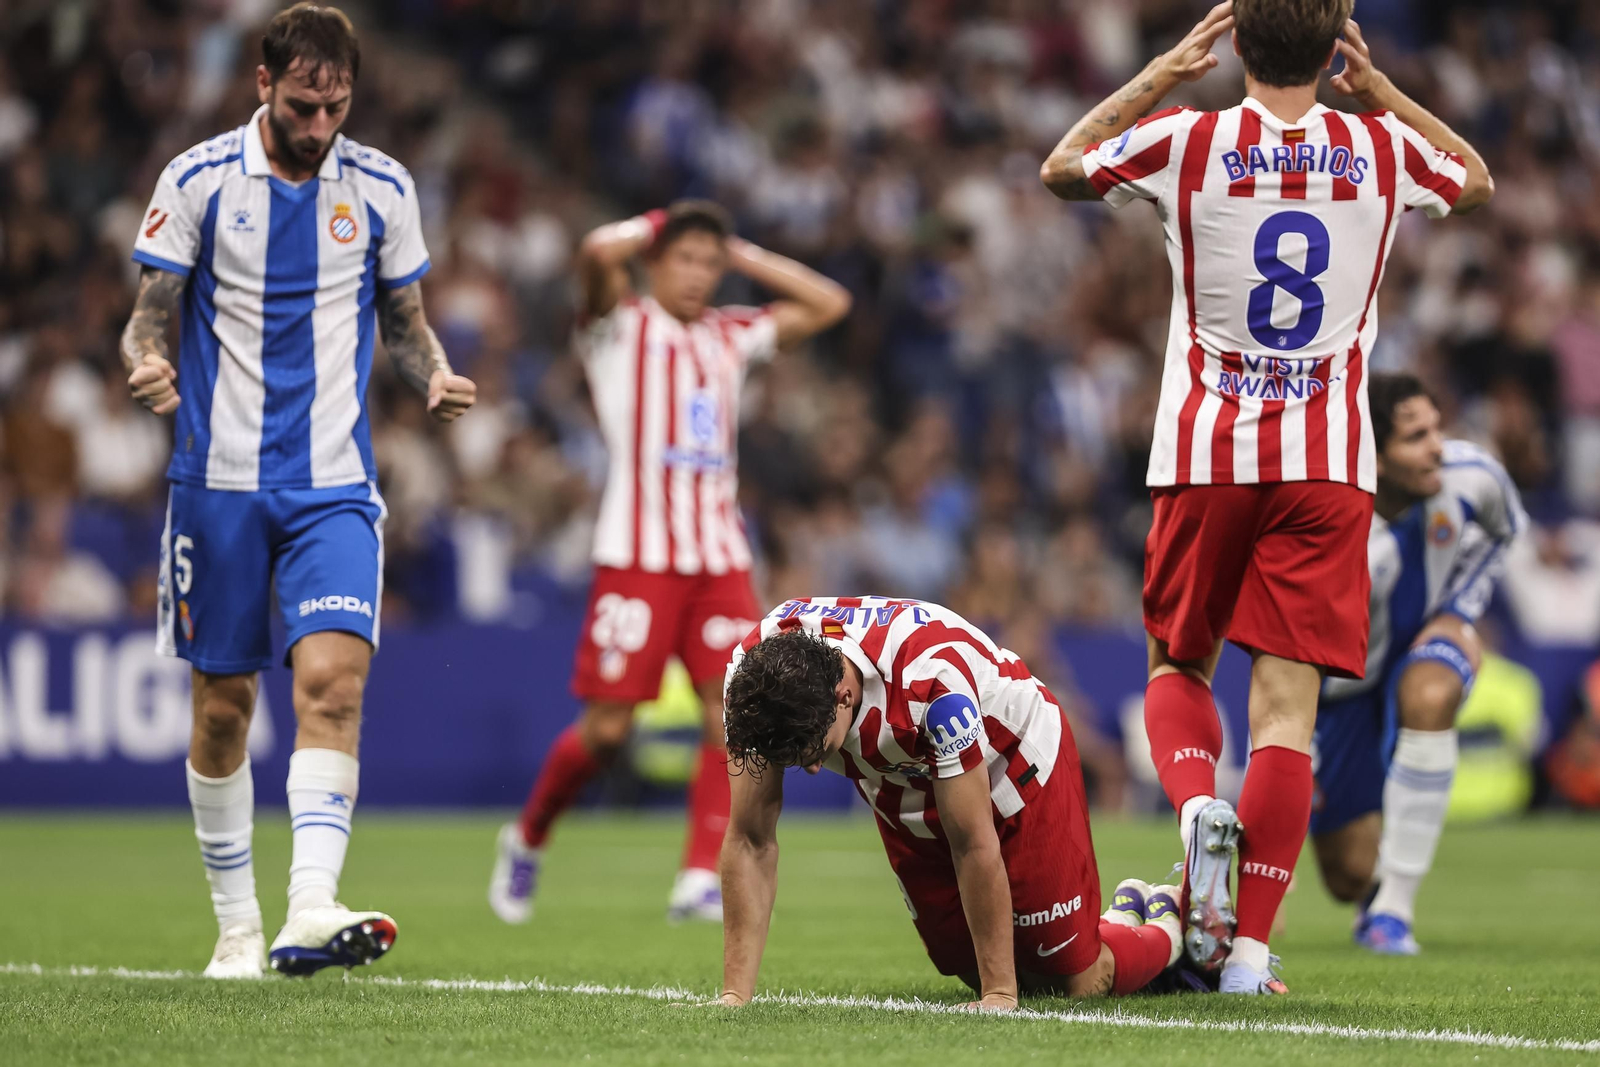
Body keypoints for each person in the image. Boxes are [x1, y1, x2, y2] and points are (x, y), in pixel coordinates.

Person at [1040, 0, 1492, 993]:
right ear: (1334, 47)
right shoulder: (1380, 150)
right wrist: (1376, 90)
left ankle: (1199, 799)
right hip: (1328, 461)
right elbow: (1474, 180)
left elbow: (1063, 165)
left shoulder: (1185, 141)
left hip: (1205, 452)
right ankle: (1246, 952)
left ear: (1235, 44)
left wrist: (1163, 70)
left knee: (1179, 661)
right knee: (1286, 711)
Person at [122, 3, 475, 979]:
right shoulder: (196, 181)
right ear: (263, 87)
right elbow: (148, 316)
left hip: (334, 487)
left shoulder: (382, 187)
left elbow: (403, 320)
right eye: (304, 106)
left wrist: (434, 373)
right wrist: (147, 361)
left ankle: (309, 904)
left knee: (333, 682)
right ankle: (235, 925)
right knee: (224, 707)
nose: (321, 127)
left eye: (338, 106)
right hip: (217, 483)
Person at [488, 201, 851, 925]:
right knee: (609, 729)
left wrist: (742, 253)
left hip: (719, 557)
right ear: (654, 262)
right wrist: (663, 224)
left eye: (707, 263)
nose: (696, 274)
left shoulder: (731, 333)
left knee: (736, 716)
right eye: (683, 258)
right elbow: (594, 249)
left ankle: (698, 875)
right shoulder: (617, 327)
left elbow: (830, 302)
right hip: (637, 557)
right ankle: (527, 838)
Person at [715, 597, 1186, 1010]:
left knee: (1074, 979)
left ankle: (1175, 924)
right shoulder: (751, 682)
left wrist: (999, 996)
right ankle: (1127, 915)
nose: (814, 769)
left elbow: (974, 843)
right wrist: (735, 995)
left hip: (1014, 767)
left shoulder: (931, 682)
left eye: (815, 751)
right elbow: (750, 839)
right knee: (968, 965)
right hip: (901, 782)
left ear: (844, 697)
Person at [1311, 375, 1525, 954]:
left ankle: (1394, 915)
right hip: (1346, 682)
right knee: (1345, 874)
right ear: (1374, 458)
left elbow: (1507, 531)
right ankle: (1374, 893)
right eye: (1415, 436)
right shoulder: (1331, 522)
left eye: (1436, 427)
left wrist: (1458, 608)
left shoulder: (1472, 475)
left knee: (1430, 695)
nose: (1438, 446)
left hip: (1431, 638)